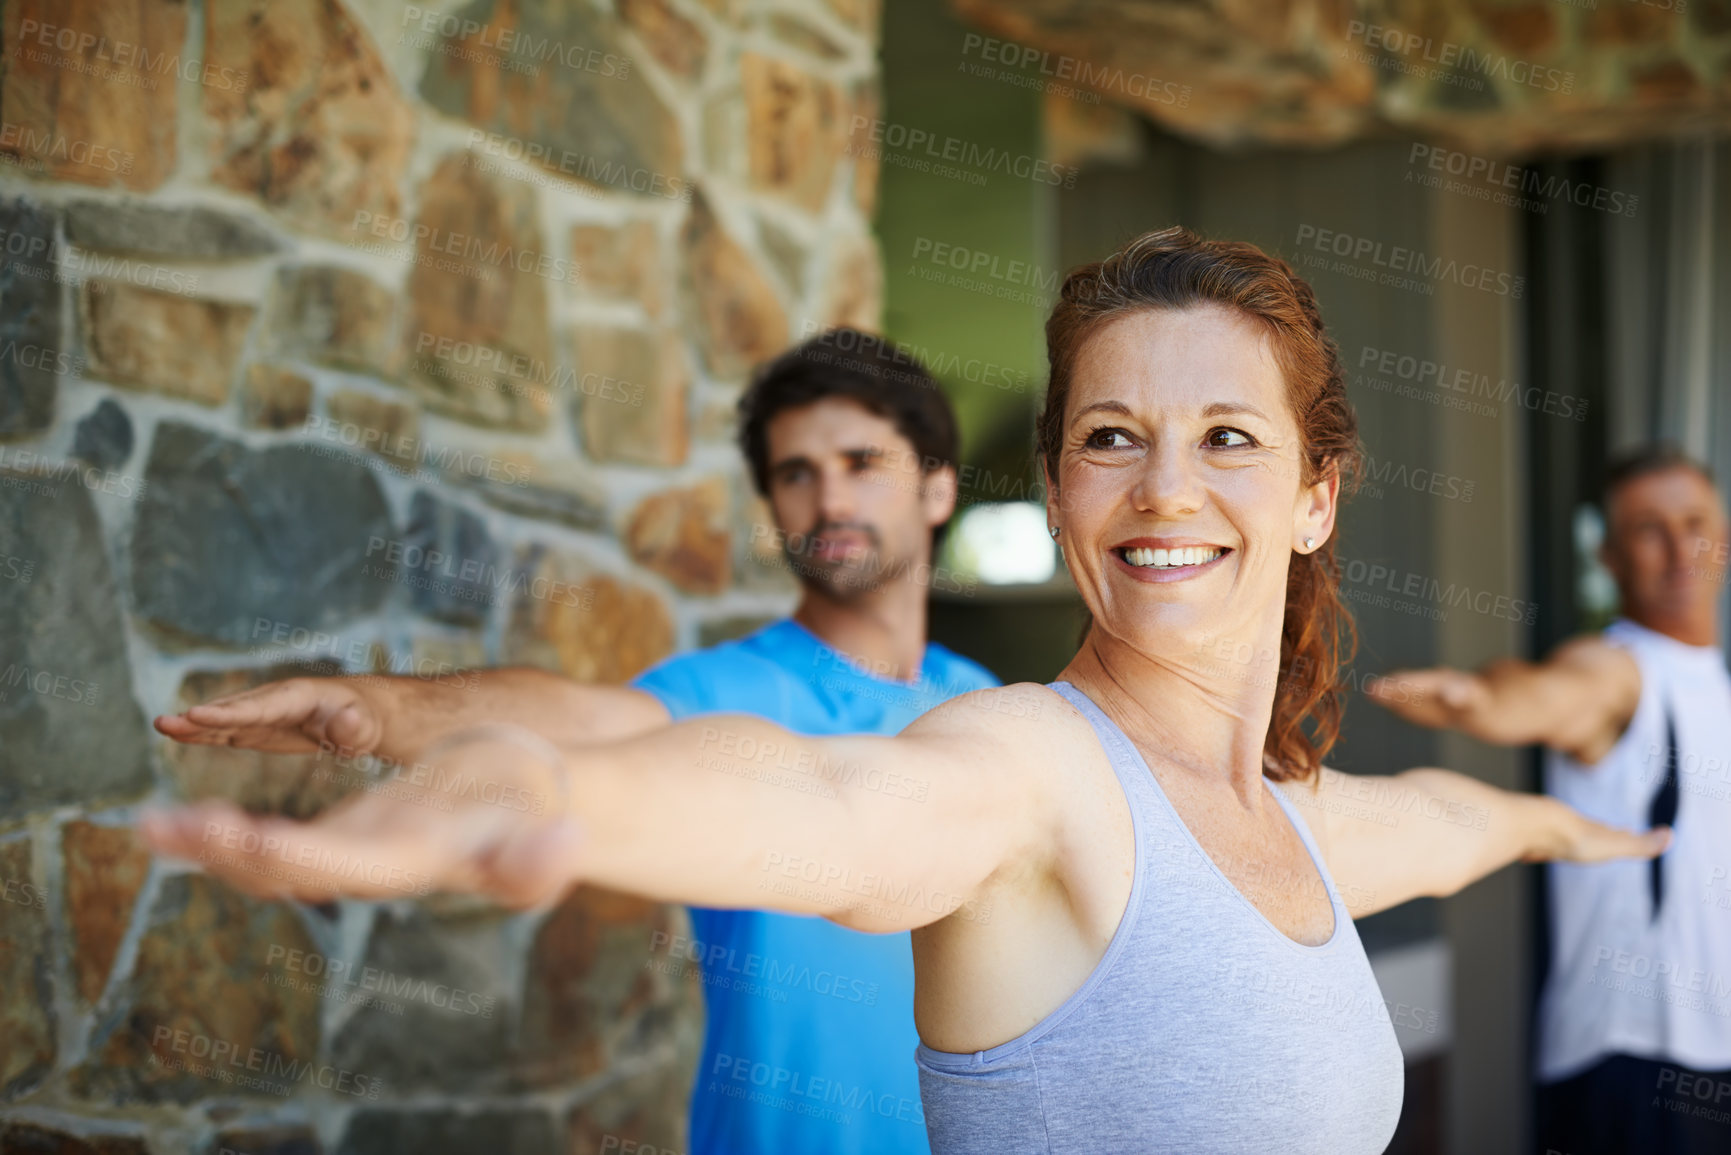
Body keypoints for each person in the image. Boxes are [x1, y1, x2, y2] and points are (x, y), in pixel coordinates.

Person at [142, 227, 1669, 1154]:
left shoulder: (1295, 814)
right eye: (1108, 437)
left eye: (1225, 436)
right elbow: (816, 791)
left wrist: (1575, 836)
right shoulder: (1016, 766)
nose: (1161, 486)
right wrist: (522, 788)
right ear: (1058, 487)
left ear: (1315, 494)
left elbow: (1447, 815)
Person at [151, 329, 998, 1155]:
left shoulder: (986, 708)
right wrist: (375, 711)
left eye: (860, 463)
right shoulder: (733, 688)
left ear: (935, 488)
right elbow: (578, 720)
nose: (831, 502)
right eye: (795, 474)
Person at [1368, 446, 1731, 1155]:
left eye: (1694, 521)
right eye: (1647, 529)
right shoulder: (1619, 671)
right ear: (1609, 556)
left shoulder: (1714, 690)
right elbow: (1542, 693)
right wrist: (1479, 698)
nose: (1678, 546)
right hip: (1634, 1060)